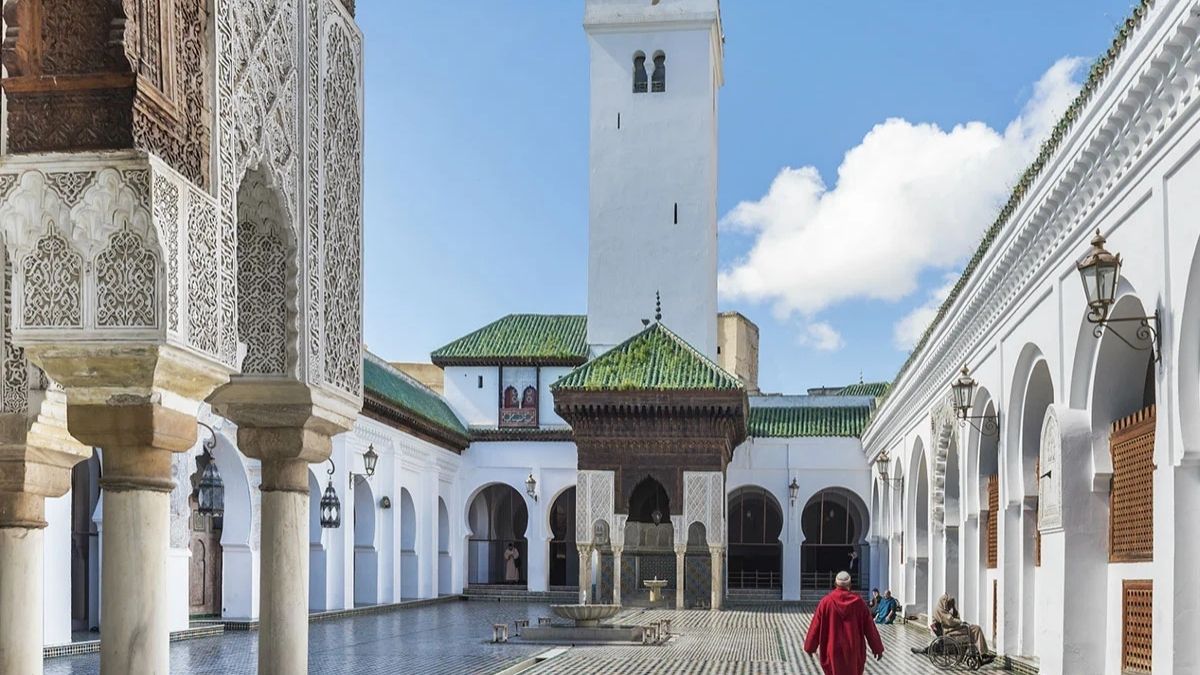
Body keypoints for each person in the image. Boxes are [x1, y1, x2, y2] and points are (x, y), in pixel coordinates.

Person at [804, 570, 884, 675]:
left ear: (835, 584)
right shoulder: (859, 603)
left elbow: (815, 627)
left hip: (832, 650)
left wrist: (810, 647)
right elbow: (870, 628)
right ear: (850, 585)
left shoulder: (826, 602)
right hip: (853, 652)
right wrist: (877, 648)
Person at [912, 594, 995, 665]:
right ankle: (982, 655)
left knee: (975, 629)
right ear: (944, 602)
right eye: (949, 604)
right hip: (948, 632)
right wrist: (960, 622)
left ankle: (982, 654)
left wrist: (954, 608)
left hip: (952, 629)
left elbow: (955, 618)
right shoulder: (940, 610)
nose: (949, 606)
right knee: (976, 629)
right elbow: (950, 621)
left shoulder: (944, 609)